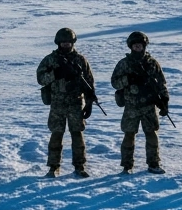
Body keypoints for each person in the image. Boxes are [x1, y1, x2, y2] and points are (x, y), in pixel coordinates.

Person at [35, 28, 97, 178]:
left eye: (68, 42)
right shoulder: (51, 59)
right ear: (58, 42)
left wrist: (89, 102)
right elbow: (40, 79)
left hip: (75, 102)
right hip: (57, 103)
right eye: (63, 42)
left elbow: (89, 82)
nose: (65, 44)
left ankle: (79, 166)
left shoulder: (80, 60)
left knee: (77, 134)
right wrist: (56, 74)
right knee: (56, 134)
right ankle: (53, 167)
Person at [111, 31, 170, 174]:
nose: (138, 47)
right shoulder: (124, 64)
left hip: (149, 105)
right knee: (129, 134)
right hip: (132, 105)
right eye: (135, 45)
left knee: (151, 134)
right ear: (131, 46)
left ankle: (153, 163)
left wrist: (164, 100)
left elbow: (161, 83)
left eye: (140, 45)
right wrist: (128, 80)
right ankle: (127, 165)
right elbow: (115, 83)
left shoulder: (152, 63)